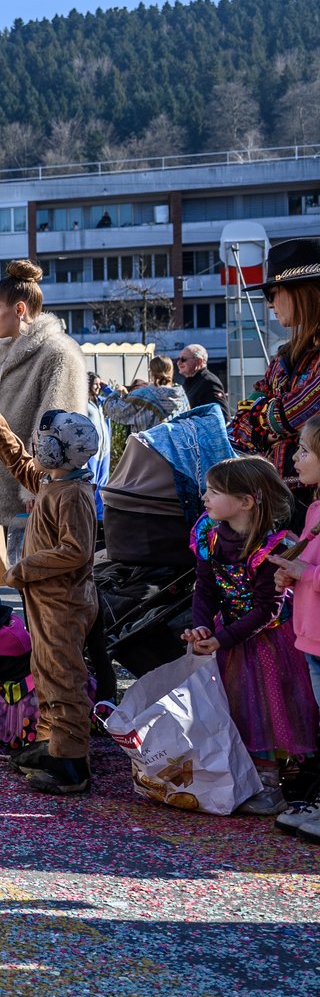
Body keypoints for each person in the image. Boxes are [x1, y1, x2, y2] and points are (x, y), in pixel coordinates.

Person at [0, 386, 101, 795]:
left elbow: (75, 551)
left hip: (63, 603)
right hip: (47, 603)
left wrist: (23, 569)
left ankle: (72, 764)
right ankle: (56, 744)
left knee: (64, 677)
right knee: (46, 673)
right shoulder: (53, 481)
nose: (38, 448)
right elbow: (18, 463)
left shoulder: (72, 494)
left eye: (46, 442)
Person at [186, 456, 315, 817]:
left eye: (214, 491)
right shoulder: (210, 536)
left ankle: (271, 786)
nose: (205, 497)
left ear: (245, 501)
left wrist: (223, 638)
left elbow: (267, 609)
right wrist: (202, 626)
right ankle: (243, 778)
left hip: (267, 642)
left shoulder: (273, 546)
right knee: (235, 711)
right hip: (228, 636)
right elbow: (204, 588)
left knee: (266, 713)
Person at [0, 261, 87, 559]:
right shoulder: (3, 351)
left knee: (37, 585)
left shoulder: (57, 353)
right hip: (6, 492)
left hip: (36, 497)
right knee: (17, 579)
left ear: (20, 309)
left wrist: (37, 489)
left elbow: (59, 427)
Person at [231, 240, 320, 492]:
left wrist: (265, 419)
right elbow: (241, 423)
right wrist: (273, 421)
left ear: (301, 291)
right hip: (282, 497)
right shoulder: (284, 356)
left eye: (271, 293)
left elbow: (297, 411)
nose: (269, 304)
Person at [267, 418, 320, 837]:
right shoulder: (315, 509)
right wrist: (294, 574)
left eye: (304, 450)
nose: (296, 456)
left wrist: (304, 571)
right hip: (311, 634)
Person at [176, 343, 228, 413]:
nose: (178, 363)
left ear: (199, 361)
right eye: (178, 359)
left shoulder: (209, 382)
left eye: (183, 359)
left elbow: (222, 415)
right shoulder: (190, 381)